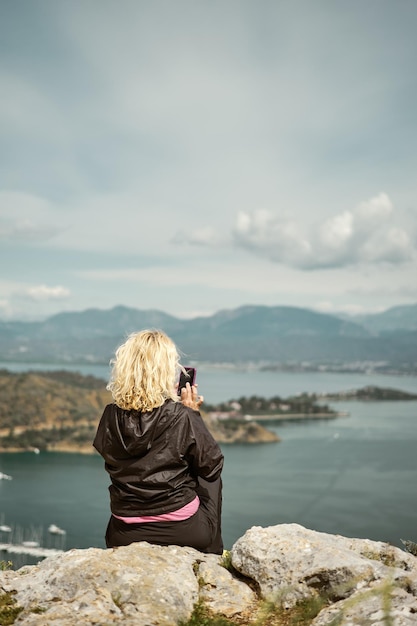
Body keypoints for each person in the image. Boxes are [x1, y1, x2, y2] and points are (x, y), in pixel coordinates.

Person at [93, 329, 224, 554]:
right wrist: (191, 413)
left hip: (123, 532)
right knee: (210, 478)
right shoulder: (181, 416)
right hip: (184, 531)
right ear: (165, 371)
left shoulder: (110, 415)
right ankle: (210, 558)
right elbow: (211, 466)